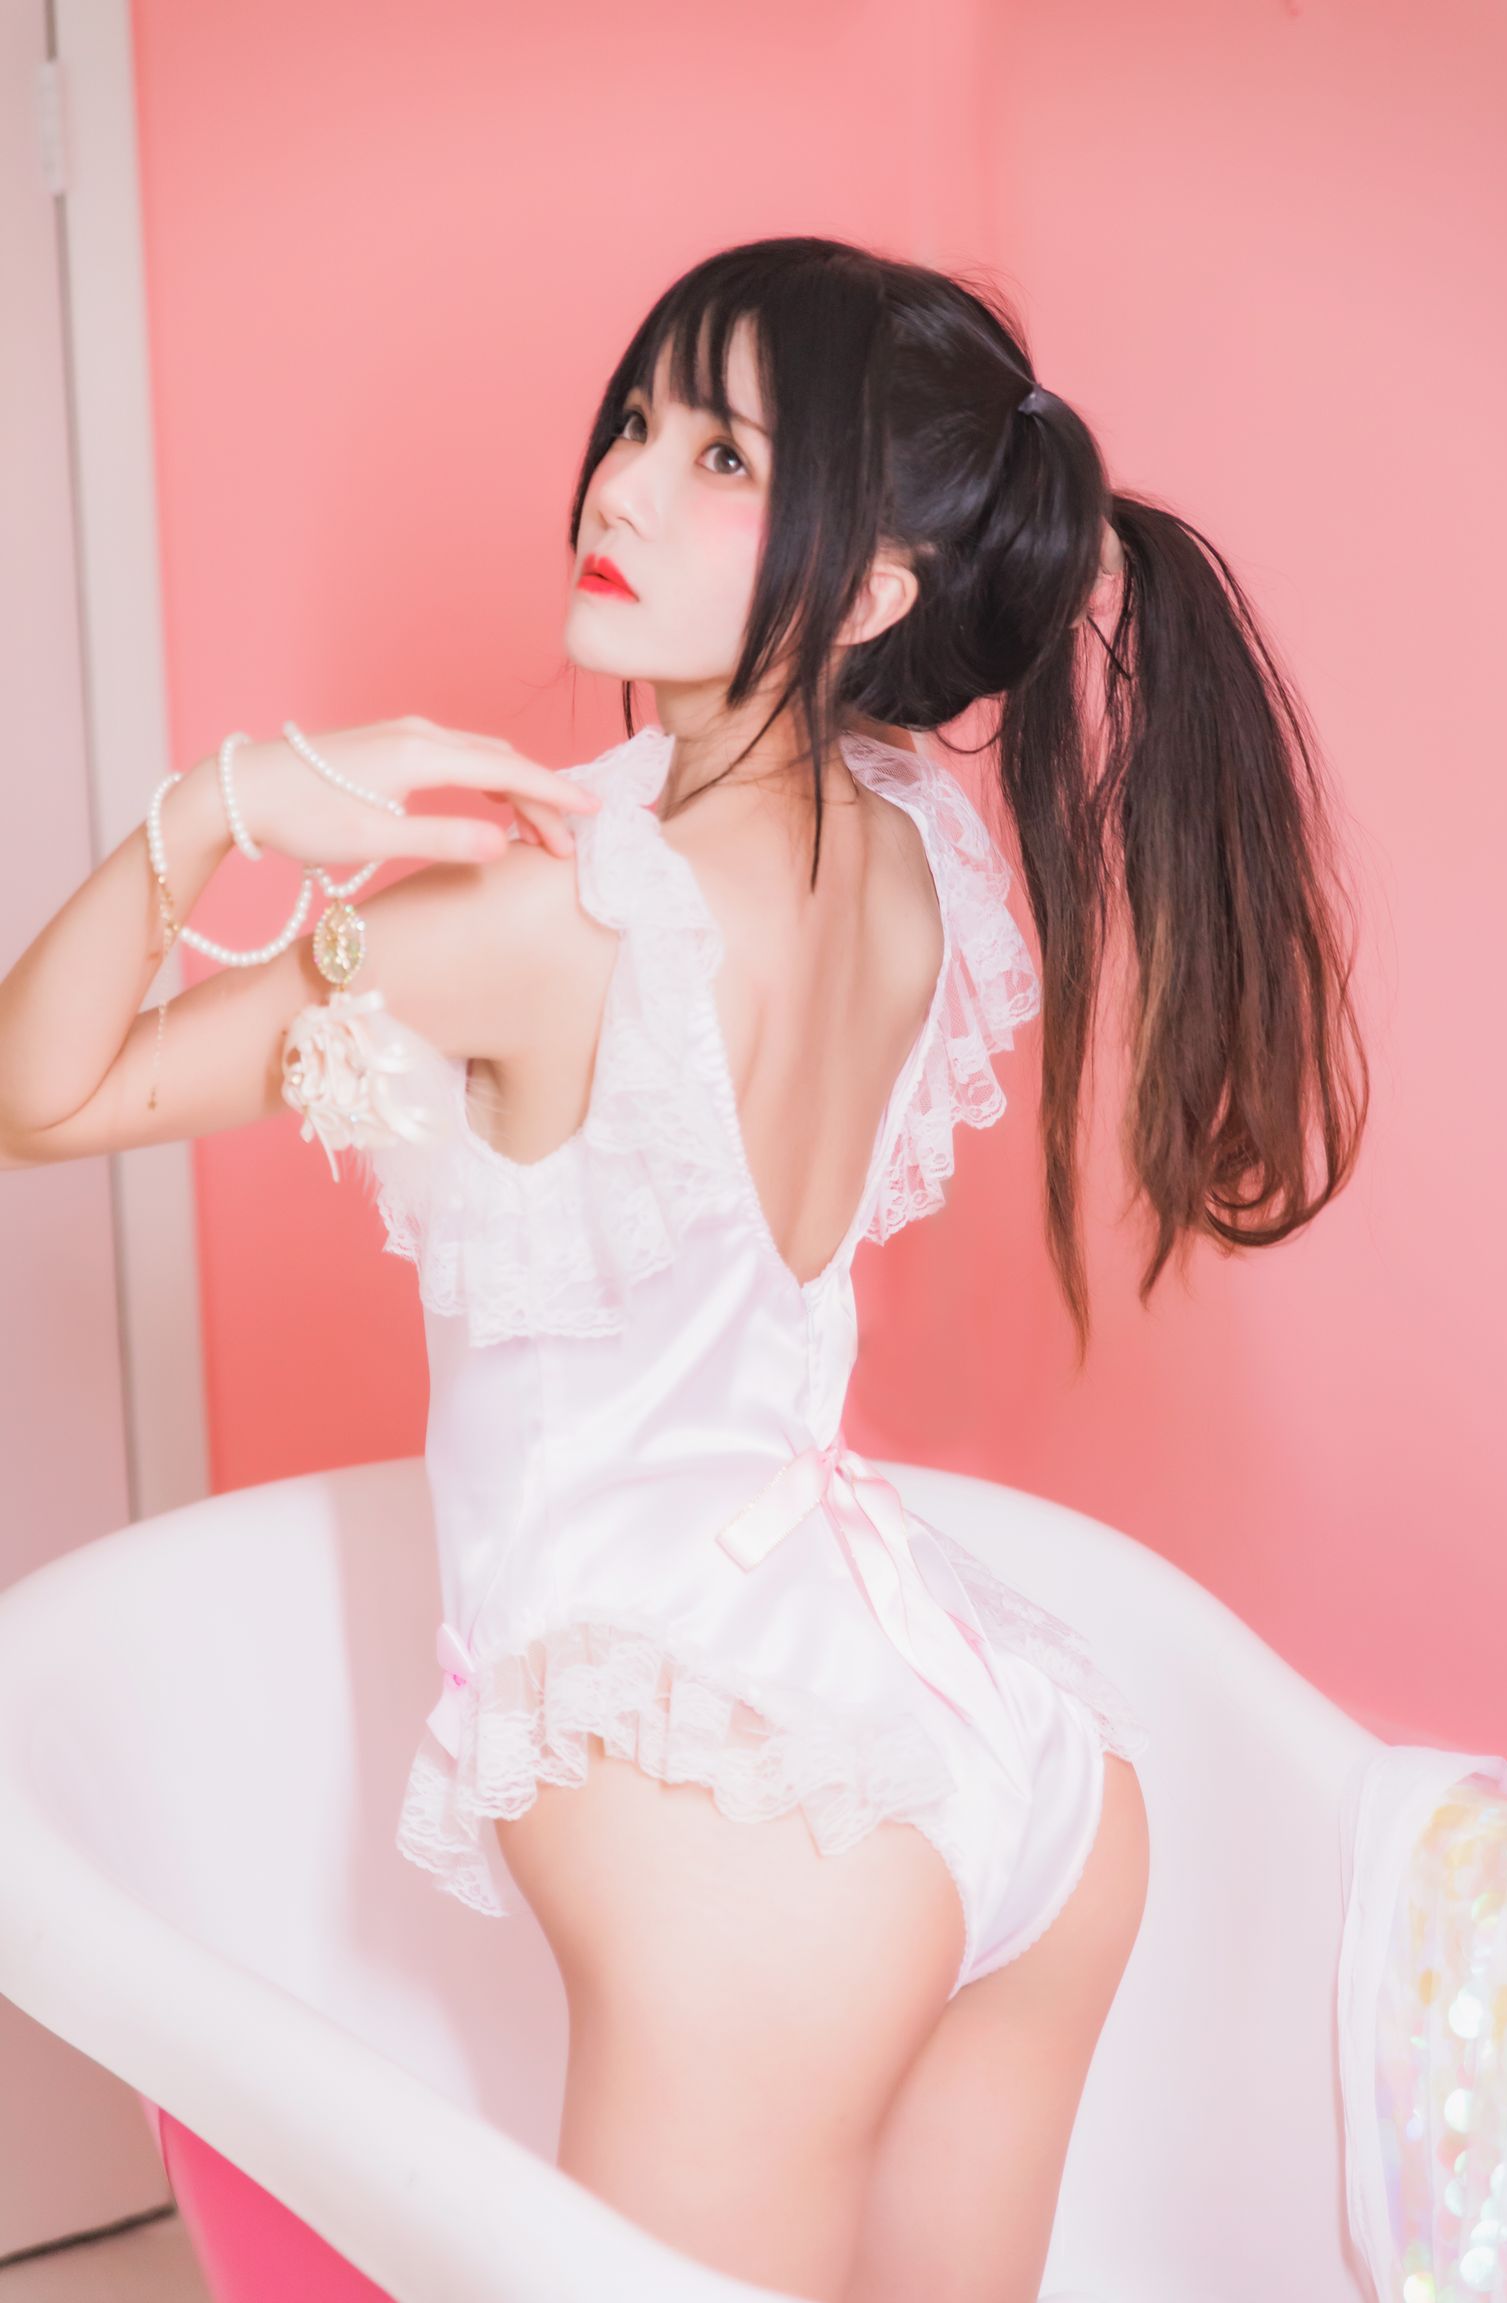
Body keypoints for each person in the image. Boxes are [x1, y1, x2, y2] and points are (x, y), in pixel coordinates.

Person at [0, 234, 1368, 2301]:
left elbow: (46, 1089)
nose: (620, 485)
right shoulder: (918, 850)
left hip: (742, 1814)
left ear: (878, 589)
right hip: (997, 1752)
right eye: (640, 419)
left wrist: (233, 803)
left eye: (722, 456)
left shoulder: (538, 925)